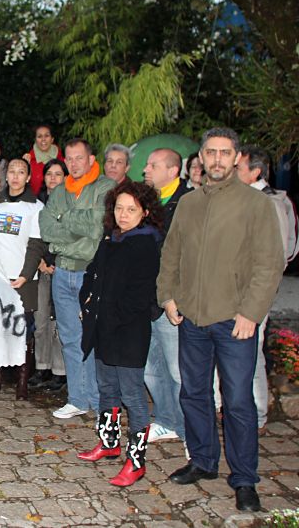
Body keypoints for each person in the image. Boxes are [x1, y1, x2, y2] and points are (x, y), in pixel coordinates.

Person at [157, 127, 283, 512]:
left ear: (237, 158)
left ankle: (244, 479)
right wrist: (168, 297)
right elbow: (171, 254)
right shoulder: (189, 204)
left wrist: (251, 313)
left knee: (238, 402)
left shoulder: (255, 205)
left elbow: (269, 263)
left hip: (235, 321)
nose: (216, 159)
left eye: (224, 153)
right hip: (192, 318)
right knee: (194, 393)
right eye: (210, 152)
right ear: (200, 157)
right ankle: (203, 460)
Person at [76, 181, 163, 487]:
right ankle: (109, 442)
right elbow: (92, 273)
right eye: (119, 208)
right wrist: (87, 302)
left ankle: (136, 461)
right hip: (104, 327)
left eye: (131, 209)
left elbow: (139, 296)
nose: (123, 215)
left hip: (128, 331)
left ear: (145, 212)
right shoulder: (111, 239)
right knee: (107, 388)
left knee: (133, 396)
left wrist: (109, 318)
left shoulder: (145, 244)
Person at [40, 138, 116, 419]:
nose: (73, 164)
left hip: (90, 272)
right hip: (62, 273)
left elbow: (98, 226)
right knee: (70, 338)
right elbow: (46, 228)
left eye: (79, 158)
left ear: (91, 159)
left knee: (92, 338)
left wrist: (64, 222)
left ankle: (98, 402)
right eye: (69, 158)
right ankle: (77, 399)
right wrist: (72, 230)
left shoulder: (105, 187)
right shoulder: (60, 191)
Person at [236, 144, 293, 430]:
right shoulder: (244, 199)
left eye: (239, 167)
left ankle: (257, 413)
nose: (233, 172)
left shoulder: (270, 204)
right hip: (235, 289)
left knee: (251, 351)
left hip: (255, 291)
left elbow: (278, 255)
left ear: (255, 171)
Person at [0, 159, 47, 400]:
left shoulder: (35, 207)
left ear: (28, 178)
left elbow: (36, 244)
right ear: (5, 175)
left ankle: (22, 381)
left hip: (23, 279)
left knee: (23, 331)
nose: (16, 176)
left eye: (21, 172)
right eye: (12, 172)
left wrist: (25, 275)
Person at [142, 148, 192, 443]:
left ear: (173, 171)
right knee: (151, 368)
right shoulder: (147, 201)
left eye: (153, 165)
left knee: (177, 370)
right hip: (146, 297)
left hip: (172, 299)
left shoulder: (187, 202)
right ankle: (166, 420)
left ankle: (188, 429)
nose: (146, 170)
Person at [29, 159, 68, 391]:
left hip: (63, 269)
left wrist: (56, 262)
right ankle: (41, 366)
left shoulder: (72, 203)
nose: (53, 178)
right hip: (41, 269)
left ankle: (59, 371)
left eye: (58, 174)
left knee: (59, 323)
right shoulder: (36, 204)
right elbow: (32, 238)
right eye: (49, 174)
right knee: (41, 320)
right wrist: (41, 263)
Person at [22, 124, 64, 196]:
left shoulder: (62, 160)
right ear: (35, 140)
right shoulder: (28, 160)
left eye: (46, 136)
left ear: (52, 139)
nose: (43, 139)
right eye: (39, 136)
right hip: (35, 201)